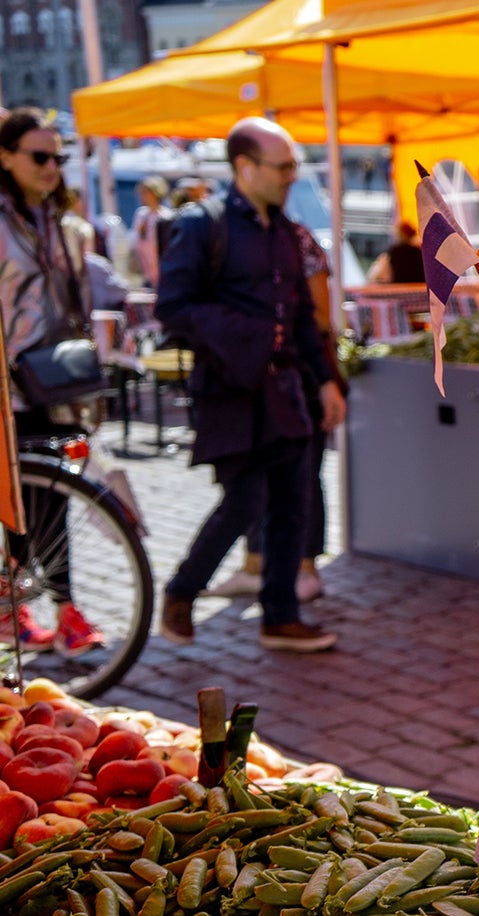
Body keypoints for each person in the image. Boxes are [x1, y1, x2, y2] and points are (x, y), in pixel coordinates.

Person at [155, 117, 346, 653]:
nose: (291, 175)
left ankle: (279, 616)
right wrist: (249, 336)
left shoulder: (286, 230)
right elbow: (171, 306)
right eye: (282, 166)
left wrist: (327, 380)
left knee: (292, 501)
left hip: (286, 390)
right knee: (245, 501)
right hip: (231, 390)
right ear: (245, 167)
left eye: (293, 166)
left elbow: (305, 316)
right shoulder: (202, 224)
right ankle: (181, 590)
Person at [0, 107, 107, 656]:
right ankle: (18, 608)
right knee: (16, 502)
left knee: (55, 497)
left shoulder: (65, 224)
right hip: (7, 388)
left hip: (56, 381)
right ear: (6, 157)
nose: (51, 167)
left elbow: (77, 306)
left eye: (58, 158)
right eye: (39, 157)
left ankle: (62, 610)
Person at [204, 216, 346, 605]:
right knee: (259, 470)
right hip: (257, 376)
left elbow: (320, 316)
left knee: (303, 471)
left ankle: (306, 568)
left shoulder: (296, 237)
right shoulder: (232, 237)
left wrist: (276, 325)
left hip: (300, 371)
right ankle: (255, 564)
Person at [131, 175, 172, 286]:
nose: (142, 196)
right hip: (145, 267)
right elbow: (135, 240)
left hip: (162, 267)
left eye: (146, 192)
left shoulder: (166, 216)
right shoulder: (141, 214)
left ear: (155, 193)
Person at [365, 219, 424, 284]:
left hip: (399, 287)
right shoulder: (419, 251)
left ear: (400, 234)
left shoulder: (395, 251)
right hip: (417, 287)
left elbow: (378, 275)